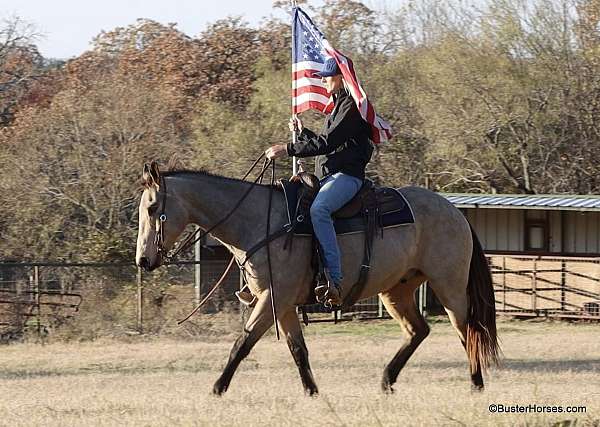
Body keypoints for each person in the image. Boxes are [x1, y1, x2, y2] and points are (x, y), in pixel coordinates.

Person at [265, 57, 374, 306]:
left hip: (347, 177)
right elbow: (328, 143)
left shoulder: (351, 107)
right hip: (329, 177)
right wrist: (303, 133)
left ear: (341, 77)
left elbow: (327, 144)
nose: (323, 80)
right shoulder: (339, 107)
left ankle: (334, 280)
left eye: (327, 76)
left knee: (319, 210)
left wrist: (287, 148)